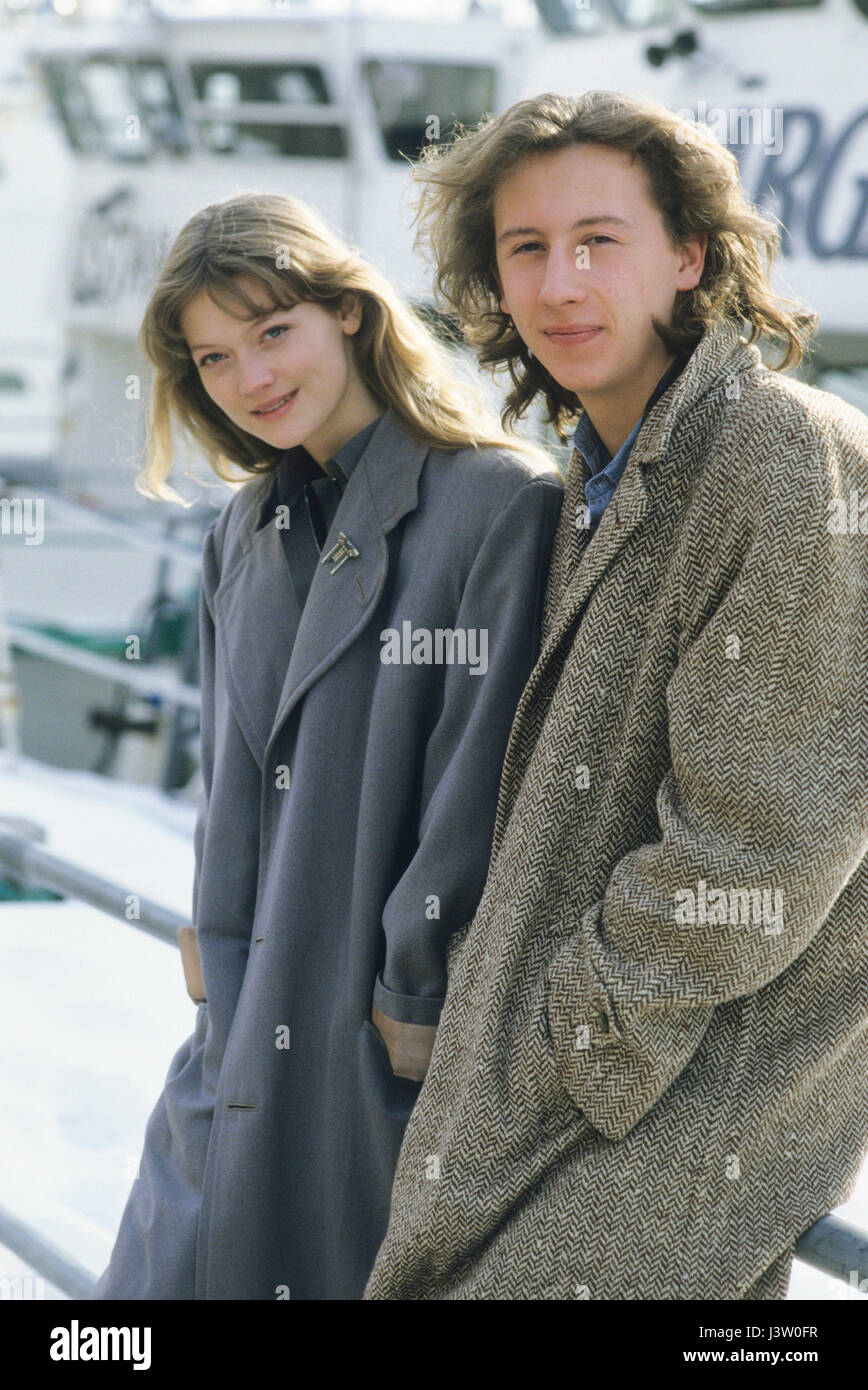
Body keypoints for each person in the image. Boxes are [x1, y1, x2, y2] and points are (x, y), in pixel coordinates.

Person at [364, 89, 868, 1301]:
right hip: (570, 1106)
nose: (558, 282)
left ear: (688, 257)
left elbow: (761, 847)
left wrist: (554, 1042)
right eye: (524, 248)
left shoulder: (781, 458)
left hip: (674, 1109)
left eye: (599, 240)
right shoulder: (600, 469)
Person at [90, 190, 563, 1300]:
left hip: (373, 1041)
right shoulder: (241, 530)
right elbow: (226, 779)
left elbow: (474, 779)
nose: (250, 379)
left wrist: (409, 1003)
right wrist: (216, 954)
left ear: (348, 313)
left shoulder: (496, 502)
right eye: (213, 359)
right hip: (240, 1032)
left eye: (272, 332)